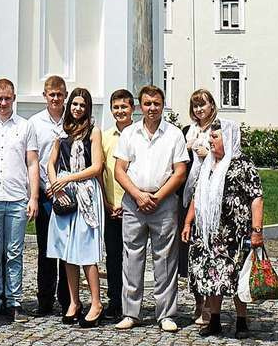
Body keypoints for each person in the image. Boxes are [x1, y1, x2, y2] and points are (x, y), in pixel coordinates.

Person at [112, 84, 190, 332]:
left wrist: (156, 197)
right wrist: (138, 196)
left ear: (163, 104)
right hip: (134, 202)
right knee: (132, 257)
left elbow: (179, 173)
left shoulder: (175, 134)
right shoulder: (130, 134)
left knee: (166, 259)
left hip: (163, 201)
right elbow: (119, 170)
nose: (152, 108)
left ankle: (166, 313)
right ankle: (131, 312)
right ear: (140, 106)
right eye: (147, 104)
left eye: (156, 103)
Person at [180, 121, 264, 339]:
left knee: (237, 276)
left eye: (215, 137)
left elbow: (256, 197)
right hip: (208, 232)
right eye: (211, 137)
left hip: (234, 234)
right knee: (211, 276)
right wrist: (188, 222)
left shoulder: (242, 164)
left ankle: (242, 321)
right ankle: (214, 320)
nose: (210, 140)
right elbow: (197, 196)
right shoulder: (208, 163)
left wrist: (257, 231)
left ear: (228, 138)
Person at [42, 86, 106, 326]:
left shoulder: (93, 131)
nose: (78, 109)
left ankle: (96, 303)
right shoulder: (62, 132)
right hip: (65, 194)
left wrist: (67, 177)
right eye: (75, 104)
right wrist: (54, 183)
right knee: (67, 252)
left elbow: (96, 166)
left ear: (87, 108)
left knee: (86, 250)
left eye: (82, 105)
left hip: (86, 191)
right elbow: (51, 162)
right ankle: (74, 301)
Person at [0, 77, 39, 321]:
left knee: (14, 252)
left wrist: (33, 197)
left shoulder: (25, 127)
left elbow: (32, 163)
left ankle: (14, 301)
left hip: (16, 198)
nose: (3, 103)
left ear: (14, 98)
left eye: (7, 98)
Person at [26, 73, 71, 317]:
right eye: (51, 95)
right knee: (45, 249)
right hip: (45, 192)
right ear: (45, 96)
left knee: (66, 248)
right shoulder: (34, 123)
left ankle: (67, 300)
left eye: (59, 94)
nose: (55, 98)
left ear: (65, 95)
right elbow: (33, 160)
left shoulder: (72, 120)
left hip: (68, 192)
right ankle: (44, 300)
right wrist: (43, 188)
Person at [181, 88, 220, 306]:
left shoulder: (218, 128)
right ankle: (198, 302)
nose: (199, 109)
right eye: (195, 106)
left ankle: (210, 302)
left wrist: (210, 155)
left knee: (209, 249)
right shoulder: (188, 130)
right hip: (188, 194)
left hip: (210, 196)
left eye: (202, 104)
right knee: (192, 252)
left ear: (211, 106)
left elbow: (229, 156)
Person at [99, 88, 134, 320]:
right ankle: (114, 300)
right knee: (113, 256)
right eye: (116, 107)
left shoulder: (139, 134)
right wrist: (107, 203)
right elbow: (100, 171)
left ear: (133, 109)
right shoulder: (105, 137)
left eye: (124, 107)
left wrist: (126, 202)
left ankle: (131, 302)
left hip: (132, 205)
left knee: (133, 258)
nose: (120, 111)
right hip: (110, 206)